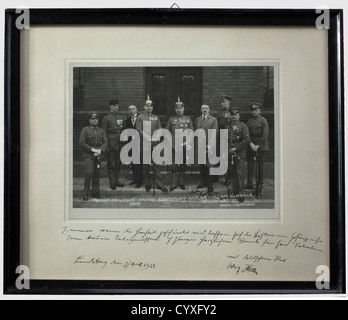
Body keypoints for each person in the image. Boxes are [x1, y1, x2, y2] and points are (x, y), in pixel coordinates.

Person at [135, 96, 168, 192]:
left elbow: (159, 130)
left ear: (152, 107)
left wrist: (155, 141)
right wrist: (149, 139)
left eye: (151, 106)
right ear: (144, 107)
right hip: (144, 144)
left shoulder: (156, 117)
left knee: (157, 165)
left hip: (155, 144)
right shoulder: (140, 117)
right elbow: (139, 130)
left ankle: (159, 184)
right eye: (147, 106)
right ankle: (148, 183)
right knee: (145, 165)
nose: (149, 107)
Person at [165, 98, 194, 191]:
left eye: (180, 108)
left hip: (183, 146)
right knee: (173, 166)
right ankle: (173, 184)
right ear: (175, 109)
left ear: (184, 109)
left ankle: (181, 183)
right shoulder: (171, 119)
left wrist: (188, 142)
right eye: (177, 109)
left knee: (182, 165)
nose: (179, 110)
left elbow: (191, 132)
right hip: (173, 146)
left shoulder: (188, 119)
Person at [79, 111, 108, 201]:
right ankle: (85, 193)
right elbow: (81, 143)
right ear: (89, 120)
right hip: (88, 155)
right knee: (89, 172)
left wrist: (100, 150)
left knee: (96, 173)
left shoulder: (101, 130)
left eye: (96, 119)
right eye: (93, 119)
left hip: (98, 155)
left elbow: (105, 142)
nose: (95, 120)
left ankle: (95, 192)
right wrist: (93, 150)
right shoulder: (85, 130)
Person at [226, 108, 250, 202]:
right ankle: (234, 191)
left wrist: (236, 148)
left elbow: (246, 140)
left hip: (239, 152)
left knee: (239, 173)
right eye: (232, 114)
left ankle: (241, 193)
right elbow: (224, 139)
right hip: (229, 152)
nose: (234, 116)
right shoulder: (227, 126)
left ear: (239, 116)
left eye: (235, 114)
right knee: (232, 173)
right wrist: (228, 150)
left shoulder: (243, 126)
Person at [245, 102, 269, 195]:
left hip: (261, 146)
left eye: (256, 110)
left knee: (260, 167)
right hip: (251, 146)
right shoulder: (249, 121)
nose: (254, 112)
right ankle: (250, 183)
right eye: (252, 110)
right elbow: (247, 134)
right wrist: (251, 144)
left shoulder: (263, 121)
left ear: (260, 111)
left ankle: (259, 186)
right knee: (250, 165)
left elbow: (265, 135)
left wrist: (258, 146)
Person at [102, 99, 125, 190]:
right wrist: (106, 145)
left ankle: (117, 180)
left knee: (118, 163)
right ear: (110, 106)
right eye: (114, 105)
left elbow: (124, 130)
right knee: (111, 163)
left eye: (117, 106)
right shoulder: (106, 118)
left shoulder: (121, 117)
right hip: (111, 144)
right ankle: (112, 182)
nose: (116, 107)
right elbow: (104, 133)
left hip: (120, 144)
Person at [194, 104, 218, 193]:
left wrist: (210, 145)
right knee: (201, 164)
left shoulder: (213, 120)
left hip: (208, 145)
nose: (205, 109)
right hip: (199, 145)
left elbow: (215, 133)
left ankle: (209, 183)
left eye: (206, 108)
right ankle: (203, 181)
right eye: (203, 108)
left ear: (209, 110)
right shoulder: (197, 119)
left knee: (208, 165)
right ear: (201, 109)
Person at [125, 105, 143, 188]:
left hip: (139, 144)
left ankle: (140, 181)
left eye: (133, 109)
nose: (132, 111)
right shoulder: (127, 120)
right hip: (131, 144)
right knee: (133, 163)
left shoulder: (140, 118)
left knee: (139, 163)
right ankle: (135, 179)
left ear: (136, 110)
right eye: (130, 109)